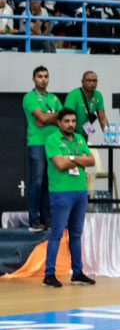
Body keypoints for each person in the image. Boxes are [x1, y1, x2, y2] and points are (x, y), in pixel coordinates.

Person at [42, 107, 96, 288]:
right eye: (67, 121)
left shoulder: (80, 138)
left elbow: (91, 160)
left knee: (76, 234)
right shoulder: (52, 139)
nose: (71, 124)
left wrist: (71, 157)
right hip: (61, 192)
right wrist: (78, 158)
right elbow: (60, 163)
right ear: (59, 122)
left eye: (73, 121)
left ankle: (77, 272)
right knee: (57, 233)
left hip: (80, 191)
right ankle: (49, 274)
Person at [23, 65, 62, 232]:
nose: (43, 79)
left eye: (46, 76)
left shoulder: (54, 98)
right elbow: (40, 118)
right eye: (39, 76)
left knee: (49, 182)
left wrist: (47, 119)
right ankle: (34, 219)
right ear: (33, 79)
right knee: (37, 181)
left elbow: (63, 119)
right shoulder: (30, 97)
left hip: (53, 144)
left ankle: (47, 219)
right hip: (37, 143)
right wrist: (49, 118)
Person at [64, 70, 109, 142]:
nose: (92, 83)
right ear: (82, 81)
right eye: (89, 80)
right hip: (71, 134)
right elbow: (66, 117)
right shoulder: (74, 95)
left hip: (84, 134)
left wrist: (108, 136)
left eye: (94, 81)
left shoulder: (98, 95)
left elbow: (102, 118)